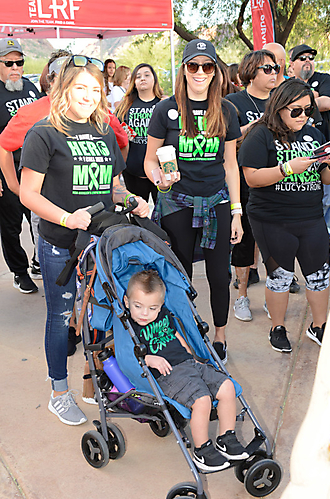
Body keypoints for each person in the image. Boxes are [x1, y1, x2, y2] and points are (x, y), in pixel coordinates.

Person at [19, 55, 149, 425]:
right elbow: (28, 193)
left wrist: (132, 201)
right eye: (81, 88)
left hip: (103, 242)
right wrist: (66, 217)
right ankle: (59, 392)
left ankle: (99, 387)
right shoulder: (44, 133)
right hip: (61, 243)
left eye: (96, 89)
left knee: (103, 316)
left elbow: (113, 185)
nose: (89, 96)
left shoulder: (105, 129)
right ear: (63, 89)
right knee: (61, 318)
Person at [144, 39, 243, 364]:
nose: (200, 72)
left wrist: (237, 211)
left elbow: (231, 165)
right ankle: (186, 332)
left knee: (219, 275)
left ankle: (219, 336)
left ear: (216, 71)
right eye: (193, 65)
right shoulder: (166, 108)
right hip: (177, 202)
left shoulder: (227, 110)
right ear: (183, 69)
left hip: (216, 201)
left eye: (207, 66)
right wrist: (159, 178)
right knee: (179, 273)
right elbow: (149, 161)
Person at [238, 78, 330, 352]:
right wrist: (287, 169)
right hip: (273, 218)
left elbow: (325, 179)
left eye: (308, 110)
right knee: (280, 275)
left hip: (311, 215)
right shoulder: (261, 134)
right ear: (280, 107)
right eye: (297, 110)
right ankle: (277, 327)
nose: (304, 116)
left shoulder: (313, 135)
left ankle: (319, 326)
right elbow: (252, 177)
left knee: (319, 274)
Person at [124, 269, 249, 472]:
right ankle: (202, 450)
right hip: (168, 374)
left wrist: (191, 355)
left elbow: (175, 335)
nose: (144, 313)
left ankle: (227, 438)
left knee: (227, 387)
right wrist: (149, 359)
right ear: (126, 300)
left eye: (152, 308)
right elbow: (126, 354)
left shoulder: (164, 315)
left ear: (160, 306)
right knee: (202, 400)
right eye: (138, 306)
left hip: (189, 364)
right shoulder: (128, 325)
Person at [225, 49, 278, 321]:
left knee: (275, 241)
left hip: (278, 181)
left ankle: (273, 295)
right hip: (245, 183)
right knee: (243, 241)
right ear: (250, 73)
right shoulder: (231, 102)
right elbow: (224, 145)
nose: (274, 73)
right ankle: (242, 297)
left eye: (276, 68)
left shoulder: (281, 100)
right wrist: (252, 128)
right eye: (267, 69)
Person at [0, 38, 41, 294]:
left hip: (35, 167)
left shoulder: (30, 88)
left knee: (39, 219)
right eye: (9, 63)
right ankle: (19, 271)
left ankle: (39, 261)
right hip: (7, 169)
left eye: (19, 62)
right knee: (11, 226)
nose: (15, 67)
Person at [290, 44, 330, 253]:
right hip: (293, 150)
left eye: (310, 57)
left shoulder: (324, 79)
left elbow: (327, 103)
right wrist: (311, 96)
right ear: (292, 64)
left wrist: (300, 100)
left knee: (327, 196)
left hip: (323, 147)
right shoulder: (287, 84)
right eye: (301, 58)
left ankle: (328, 238)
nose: (307, 61)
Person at [116, 63, 163, 203]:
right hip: (132, 171)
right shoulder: (125, 106)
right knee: (136, 217)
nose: (143, 78)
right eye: (138, 76)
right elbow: (115, 134)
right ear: (133, 83)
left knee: (162, 219)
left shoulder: (164, 105)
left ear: (154, 79)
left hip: (160, 172)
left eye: (147, 75)